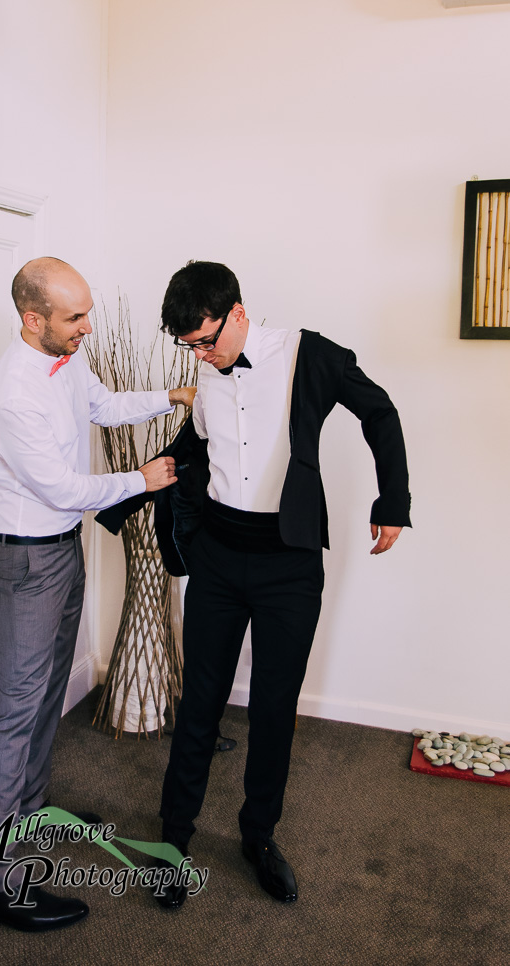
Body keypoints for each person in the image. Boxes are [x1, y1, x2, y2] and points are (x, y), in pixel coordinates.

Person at [153, 260, 411, 909]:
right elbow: (199, 444)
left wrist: (393, 500)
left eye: (208, 340)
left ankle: (258, 835)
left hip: (287, 565)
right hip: (217, 558)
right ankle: (172, 842)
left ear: (238, 312)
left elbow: (380, 412)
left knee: (273, 707)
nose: (201, 355)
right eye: (189, 347)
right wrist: (149, 478)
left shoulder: (309, 355)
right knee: (200, 704)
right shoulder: (206, 370)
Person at [0, 256, 195, 931]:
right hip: (25, 562)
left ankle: (28, 821)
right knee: (13, 712)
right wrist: (140, 480)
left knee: (42, 699)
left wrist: (172, 396)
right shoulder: (14, 391)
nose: (87, 327)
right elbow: (62, 489)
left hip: (60, 552)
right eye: (75, 317)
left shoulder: (65, 361)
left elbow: (102, 404)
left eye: (88, 313)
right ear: (33, 319)